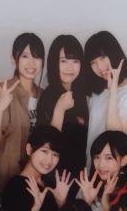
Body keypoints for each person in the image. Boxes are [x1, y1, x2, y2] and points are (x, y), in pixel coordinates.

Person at [84, 30, 127, 168]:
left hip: (121, 171)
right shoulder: (98, 93)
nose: (99, 67)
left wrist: (113, 91)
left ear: (114, 54)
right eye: (93, 62)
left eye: (102, 58)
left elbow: (114, 134)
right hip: (94, 167)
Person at [0, 32, 44, 184]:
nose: (32, 63)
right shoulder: (1, 90)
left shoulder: (44, 95)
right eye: (25, 56)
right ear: (14, 59)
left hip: (36, 179)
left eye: (37, 57)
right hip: (5, 177)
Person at [0, 124, 71, 211]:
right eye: (45, 151)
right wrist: (35, 208)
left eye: (55, 154)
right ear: (29, 149)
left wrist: (61, 203)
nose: (49, 160)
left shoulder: (50, 185)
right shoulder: (16, 186)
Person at [37, 33, 89, 176]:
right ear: (54, 63)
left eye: (75, 61)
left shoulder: (80, 94)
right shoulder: (48, 96)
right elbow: (48, 143)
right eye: (64, 61)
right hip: (56, 174)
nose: (70, 68)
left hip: (79, 171)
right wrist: (60, 109)